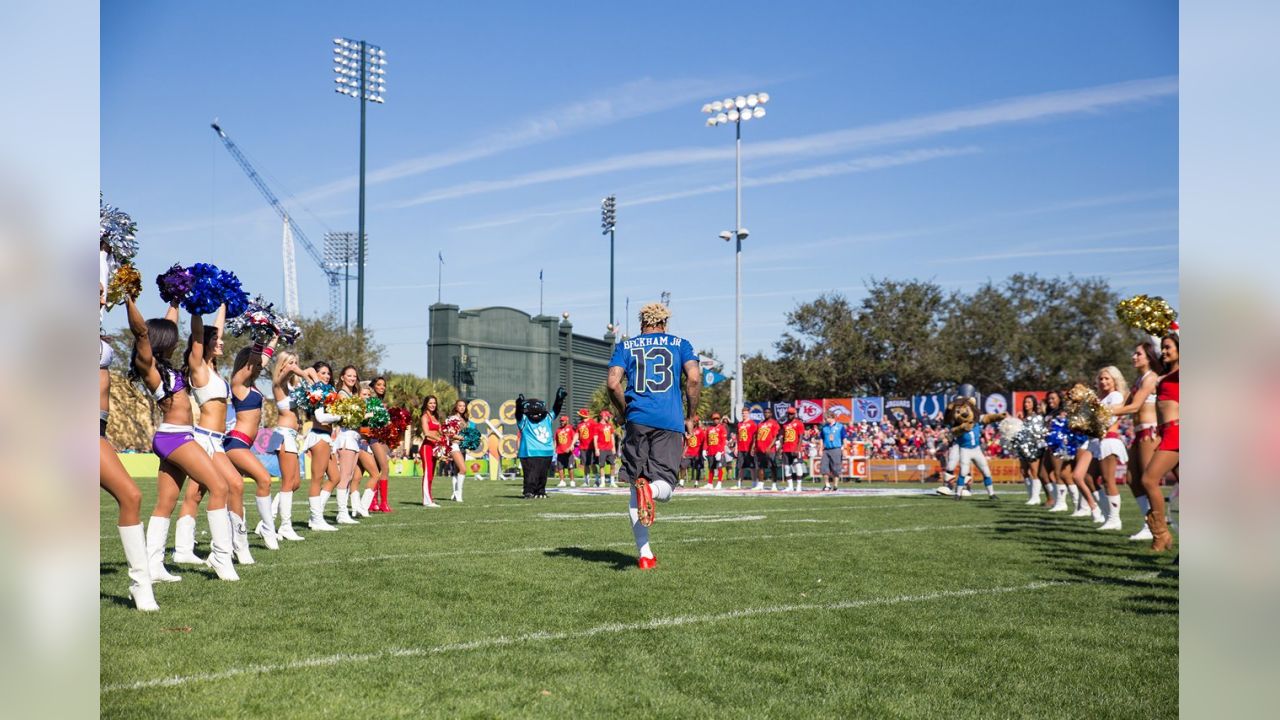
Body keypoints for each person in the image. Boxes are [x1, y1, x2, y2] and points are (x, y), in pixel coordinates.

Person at [125, 295, 237, 581]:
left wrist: (176, 300)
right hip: (175, 438)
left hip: (176, 437)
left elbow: (168, 325)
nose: (177, 341)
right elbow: (141, 332)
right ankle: (222, 558)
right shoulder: (148, 366)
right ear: (162, 341)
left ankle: (153, 565)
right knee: (220, 486)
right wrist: (128, 300)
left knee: (167, 502)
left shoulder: (166, 366)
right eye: (172, 338)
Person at [606, 302, 701, 570]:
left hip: (637, 419)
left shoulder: (626, 346)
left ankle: (645, 555)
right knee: (666, 487)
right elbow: (693, 379)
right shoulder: (680, 343)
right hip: (668, 420)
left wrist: (624, 412)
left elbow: (613, 383)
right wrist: (691, 416)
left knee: (636, 488)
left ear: (641, 323)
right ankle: (652, 490)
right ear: (664, 323)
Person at [101, 285, 157, 611]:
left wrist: (129, 297)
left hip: (96, 432)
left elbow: (141, 331)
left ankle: (141, 585)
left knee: (131, 496)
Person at [222, 338, 280, 550]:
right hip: (235, 442)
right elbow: (256, 359)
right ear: (246, 363)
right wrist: (259, 336)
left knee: (231, 490)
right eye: (254, 364)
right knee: (264, 479)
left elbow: (263, 359)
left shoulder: (251, 384)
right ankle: (268, 528)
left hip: (244, 444)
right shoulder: (238, 383)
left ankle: (228, 535)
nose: (258, 367)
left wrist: (274, 335)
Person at [1110, 341, 1166, 540]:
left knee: (1147, 480)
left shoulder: (1151, 378)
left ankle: (1156, 525)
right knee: (1132, 480)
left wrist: (1106, 411)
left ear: (1149, 357)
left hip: (1149, 432)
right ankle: (1148, 521)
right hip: (1138, 432)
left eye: (1138, 354)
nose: (1134, 357)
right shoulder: (1138, 379)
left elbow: (1134, 407)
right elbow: (1122, 406)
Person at [267, 350, 313, 540]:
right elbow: (286, 375)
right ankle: (285, 526)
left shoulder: (294, 387)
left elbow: (313, 380)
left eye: (295, 361)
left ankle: (267, 519)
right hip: (283, 435)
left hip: (292, 436)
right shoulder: (278, 384)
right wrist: (301, 371)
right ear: (282, 364)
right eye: (289, 362)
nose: (293, 365)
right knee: (288, 482)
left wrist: (307, 373)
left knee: (295, 483)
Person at [1139, 333, 1179, 552]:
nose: (1163, 351)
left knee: (1148, 479)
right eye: (1162, 348)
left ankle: (1161, 534)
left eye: (1168, 347)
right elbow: (1153, 346)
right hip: (1166, 432)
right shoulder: (1165, 374)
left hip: (1178, 432)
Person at [945, 385, 1007, 501]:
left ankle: (991, 494)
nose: (964, 412)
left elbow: (988, 418)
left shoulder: (976, 418)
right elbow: (953, 432)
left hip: (976, 449)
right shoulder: (957, 425)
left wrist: (998, 416)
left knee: (986, 470)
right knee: (963, 471)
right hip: (965, 450)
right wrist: (961, 428)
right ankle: (958, 494)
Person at [516, 388, 567, 498]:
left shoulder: (547, 418)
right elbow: (518, 414)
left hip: (546, 452)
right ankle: (529, 491)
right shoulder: (524, 420)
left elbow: (556, 410)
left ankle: (540, 491)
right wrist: (519, 404)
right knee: (530, 474)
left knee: (543, 475)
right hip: (529, 452)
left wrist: (560, 399)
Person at [440, 399, 471, 502]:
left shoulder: (465, 419)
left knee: (457, 470)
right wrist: (461, 438)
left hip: (461, 447)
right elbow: (448, 434)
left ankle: (454, 493)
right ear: (456, 407)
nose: (462, 407)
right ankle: (459, 493)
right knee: (463, 469)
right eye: (460, 406)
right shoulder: (452, 418)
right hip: (454, 446)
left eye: (464, 406)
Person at [418, 395, 442, 507]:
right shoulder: (424, 417)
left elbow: (442, 432)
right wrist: (439, 439)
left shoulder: (435, 418)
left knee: (431, 475)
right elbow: (427, 434)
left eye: (434, 403)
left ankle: (429, 499)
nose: (433, 405)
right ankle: (427, 501)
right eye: (430, 403)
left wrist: (454, 437)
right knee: (427, 473)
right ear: (426, 404)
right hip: (427, 447)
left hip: (435, 449)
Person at [780, 407, 807, 491]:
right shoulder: (785, 424)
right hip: (786, 448)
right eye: (789, 413)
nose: (790, 415)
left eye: (791, 414)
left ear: (794, 414)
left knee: (798, 466)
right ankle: (790, 486)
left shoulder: (799, 423)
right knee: (787, 468)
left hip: (795, 448)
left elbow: (801, 437)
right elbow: (783, 437)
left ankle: (799, 486)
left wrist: (798, 449)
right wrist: (781, 448)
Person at [819, 412, 847, 491]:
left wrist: (845, 449)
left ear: (831, 417)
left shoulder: (840, 426)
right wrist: (820, 449)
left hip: (836, 449)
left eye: (826, 418)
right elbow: (821, 438)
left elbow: (844, 438)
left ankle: (835, 485)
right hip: (826, 450)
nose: (825, 420)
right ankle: (827, 484)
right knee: (824, 467)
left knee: (836, 468)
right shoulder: (824, 427)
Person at [753, 412, 781, 491]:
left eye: (768, 412)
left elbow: (776, 437)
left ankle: (774, 485)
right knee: (760, 467)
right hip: (760, 448)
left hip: (770, 449)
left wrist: (769, 447)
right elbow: (756, 436)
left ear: (771, 414)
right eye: (765, 412)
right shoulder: (760, 423)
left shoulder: (774, 423)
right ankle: (761, 484)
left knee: (772, 467)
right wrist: (754, 447)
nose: (766, 414)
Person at [704, 413, 729, 489]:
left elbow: (723, 441)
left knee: (719, 467)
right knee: (711, 467)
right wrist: (704, 450)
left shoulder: (722, 428)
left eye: (717, 418)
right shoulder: (709, 428)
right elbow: (706, 440)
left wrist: (720, 451)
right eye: (714, 419)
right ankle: (710, 483)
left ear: (719, 419)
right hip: (711, 451)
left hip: (719, 452)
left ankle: (719, 483)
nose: (716, 420)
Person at [575, 409, 599, 488]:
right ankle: (586, 481)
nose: (578, 416)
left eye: (579, 414)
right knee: (585, 464)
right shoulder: (580, 424)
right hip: (582, 447)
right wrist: (572, 443)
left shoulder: (592, 423)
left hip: (591, 447)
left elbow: (596, 435)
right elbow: (577, 435)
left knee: (593, 464)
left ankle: (596, 480)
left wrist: (596, 448)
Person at [596, 410, 619, 488]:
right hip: (601, 449)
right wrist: (596, 449)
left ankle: (612, 482)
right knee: (601, 466)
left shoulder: (610, 425)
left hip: (609, 448)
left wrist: (614, 448)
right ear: (603, 416)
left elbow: (612, 437)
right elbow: (595, 438)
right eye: (607, 416)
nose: (608, 417)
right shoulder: (597, 426)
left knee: (613, 465)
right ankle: (602, 482)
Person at [734, 415, 757, 489]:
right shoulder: (739, 424)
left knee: (752, 467)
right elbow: (737, 436)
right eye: (742, 413)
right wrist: (736, 447)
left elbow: (755, 436)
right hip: (741, 448)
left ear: (748, 414)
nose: (744, 415)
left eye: (745, 413)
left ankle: (754, 484)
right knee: (740, 467)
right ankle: (739, 484)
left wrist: (753, 446)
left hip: (749, 448)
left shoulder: (752, 423)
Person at [553, 414, 576, 487]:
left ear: (567, 421)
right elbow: (556, 440)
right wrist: (554, 449)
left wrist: (571, 446)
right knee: (560, 468)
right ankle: (562, 481)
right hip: (560, 451)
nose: (561, 422)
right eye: (561, 421)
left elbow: (574, 438)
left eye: (563, 421)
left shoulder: (570, 428)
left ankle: (572, 481)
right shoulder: (558, 430)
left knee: (570, 467)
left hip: (569, 452)